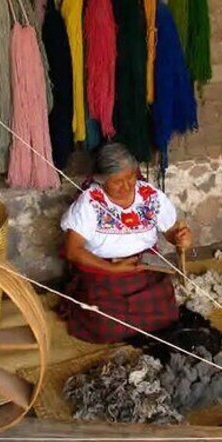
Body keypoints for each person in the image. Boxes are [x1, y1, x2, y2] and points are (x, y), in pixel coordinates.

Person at [59, 143, 192, 343]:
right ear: (101, 180)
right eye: (117, 182)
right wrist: (112, 269)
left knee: (166, 315)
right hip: (102, 272)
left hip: (145, 268)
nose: (127, 186)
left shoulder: (149, 195)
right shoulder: (90, 202)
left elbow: (171, 230)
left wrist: (180, 237)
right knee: (105, 327)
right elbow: (72, 250)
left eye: (130, 178)